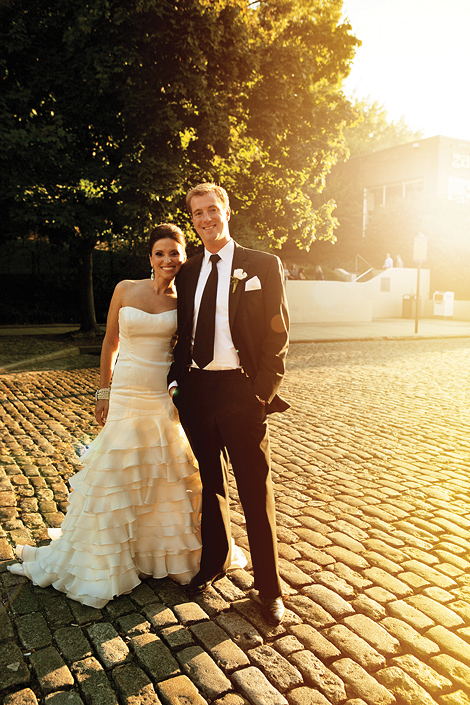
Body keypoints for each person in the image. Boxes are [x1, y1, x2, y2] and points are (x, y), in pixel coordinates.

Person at [7, 223, 246, 608]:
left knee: (162, 471)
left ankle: (156, 554)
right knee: (115, 473)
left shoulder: (187, 299)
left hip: (161, 394)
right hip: (125, 391)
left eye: (174, 253)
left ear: (184, 257)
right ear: (150, 257)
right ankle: (108, 556)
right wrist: (104, 391)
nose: (167, 260)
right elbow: (110, 341)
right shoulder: (124, 289)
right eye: (160, 253)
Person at [168, 182, 289, 625]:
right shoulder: (188, 270)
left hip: (242, 392)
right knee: (210, 483)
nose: (205, 219)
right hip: (197, 392)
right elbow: (179, 333)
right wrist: (176, 385)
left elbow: (278, 335)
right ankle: (215, 561)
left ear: (227, 211)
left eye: (212, 210)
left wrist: (262, 392)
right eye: (197, 213)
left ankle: (269, 587)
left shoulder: (262, 264)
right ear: (192, 219)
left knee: (255, 492)